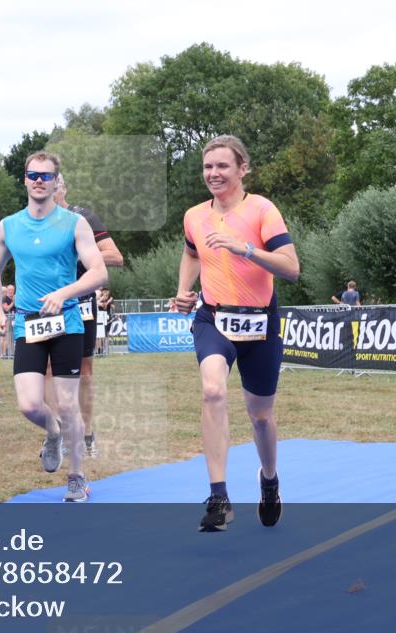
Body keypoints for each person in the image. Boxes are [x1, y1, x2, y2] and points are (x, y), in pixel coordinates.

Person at [171, 135, 300, 532]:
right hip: (213, 318)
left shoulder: (262, 210)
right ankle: (218, 497)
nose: (214, 173)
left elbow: (291, 267)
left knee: (260, 415)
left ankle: (270, 480)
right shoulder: (194, 215)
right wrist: (183, 290)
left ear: (242, 169)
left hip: (260, 322)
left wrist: (244, 248)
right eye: (208, 167)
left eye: (223, 166)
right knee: (212, 390)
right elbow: (193, 252)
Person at [0, 151, 107, 502]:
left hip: (67, 321)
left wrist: (64, 293)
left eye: (46, 176)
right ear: (24, 179)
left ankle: (77, 477)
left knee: (68, 404)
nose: (39, 181)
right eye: (33, 175)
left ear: (56, 182)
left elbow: (99, 272)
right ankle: (52, 433)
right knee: (28, 405)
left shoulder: (74, 223)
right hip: (27, 323)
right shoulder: (9, 225)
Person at [51, 173, 123, 458]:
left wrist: (80, 250)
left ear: (63, 188)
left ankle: (88, 435)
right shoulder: (34, 222)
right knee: (46, 370)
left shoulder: (82, 217)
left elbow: (116, 257)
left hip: (81, 302)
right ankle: (59, 434)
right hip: (49, 303)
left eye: (54, 184)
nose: (47, 189)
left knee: (85, 372)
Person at [0, 284, 16, 358]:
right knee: (4, 337)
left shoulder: (15, 298)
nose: (11, 291)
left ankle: (9, 354)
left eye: (12, 290)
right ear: (7, 290)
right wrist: (13, 303)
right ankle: (2, 354)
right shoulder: (4, 298)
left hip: (14, 319)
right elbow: (6, 309)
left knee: (10, 337)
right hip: (5, 319)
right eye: (9, 290)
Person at [96, 287, 114, 356]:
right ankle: (99, 350)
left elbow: (112, 307)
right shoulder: (99, 299)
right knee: (99, 335)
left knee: (106, 334)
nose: (106, 293)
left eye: (107, 291)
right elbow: (98, 304)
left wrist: (109, 302)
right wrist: (102, 299)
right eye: (104, 291)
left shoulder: (110, 299)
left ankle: (105, 349)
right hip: (100, 318)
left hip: (107, 318)